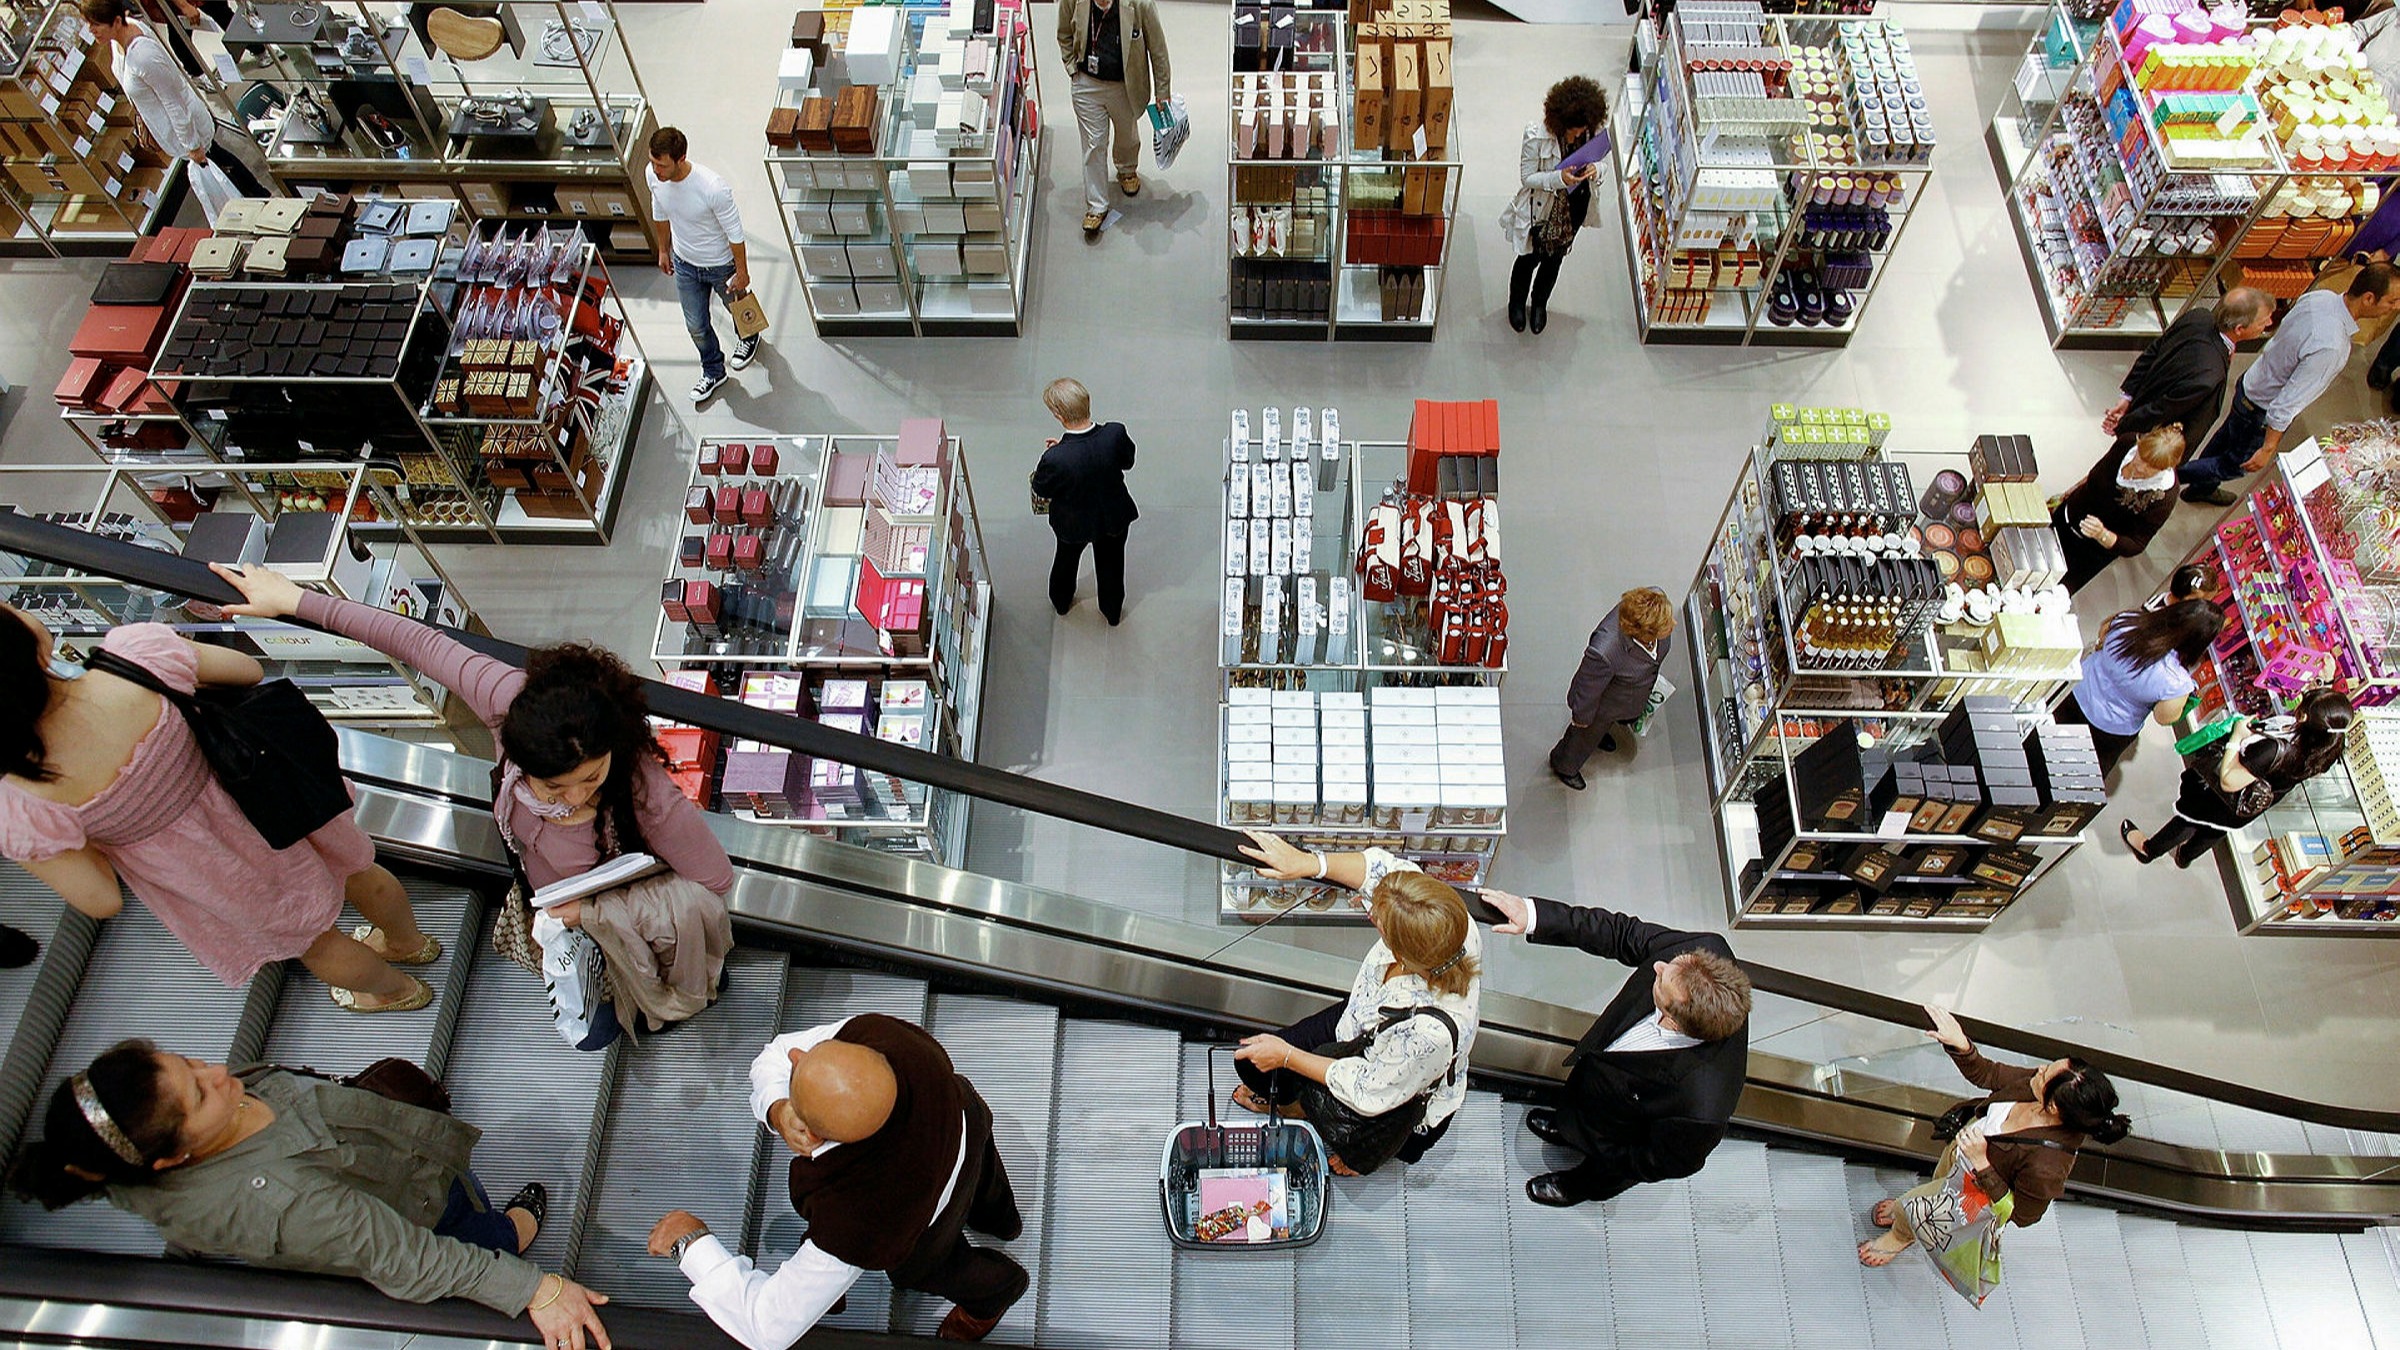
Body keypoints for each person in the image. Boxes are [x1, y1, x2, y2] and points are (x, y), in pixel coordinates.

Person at [210, 565, 735, 1032]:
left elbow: (713, 884)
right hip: (544, 899)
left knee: (601, 1024)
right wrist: (298, 601)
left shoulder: (647, 796)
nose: (574, 798)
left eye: (593, 777)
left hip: (602, 921)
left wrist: (595, 913)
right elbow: (417, 643)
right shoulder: (508, 701)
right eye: (552, 786)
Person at [6, 1039, 612, 1349]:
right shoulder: (287, 1204)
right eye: (199, 1095)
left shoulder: (127, 1157)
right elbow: (406, 1258)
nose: (218, 1073)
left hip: (386, 1162)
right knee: (472, 1228)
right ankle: (510, 1233)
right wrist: (535, 1287)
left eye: (188, 1063)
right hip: (417, 1208)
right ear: (172, 1159)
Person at [0, 603, 432, 1011]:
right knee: (360, 870)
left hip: (215, 870)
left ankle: (398, 992)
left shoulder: (21, 805)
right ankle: (410, 944)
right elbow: (246, 670)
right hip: (269, 793)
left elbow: (101, 899)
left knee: (317, 942)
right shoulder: (135, 653)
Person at [646, 1013, 1027, 1346]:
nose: (796, 1056)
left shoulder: (854, 1222)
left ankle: (997, 1291)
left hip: (923, 1228)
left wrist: (690, 1242)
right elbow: (780, 1053)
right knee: (985, 1179)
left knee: (936, 1269)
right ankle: (1003, 1218)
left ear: (812, 1136)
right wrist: (779, 1107)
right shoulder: (882, 1035)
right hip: (964, 1121)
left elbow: (766, 1328)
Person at [1473, 889, 1751, 1208]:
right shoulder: (1701, 953)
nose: (1657, 966)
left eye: (1662, 981)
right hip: (1597, 1090)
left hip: (1618, 1138)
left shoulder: (1702, 1108)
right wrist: (1533, 915)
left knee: (1603, 1173)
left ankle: (1578, 1185)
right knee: (1577, 1110)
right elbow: (1621, 933)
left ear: (1674, 1019)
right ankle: (1568, 1127)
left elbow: (1657, 1162)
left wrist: (1602, 1148)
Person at [1227, 833, 1482, 1176]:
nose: (1371, 912)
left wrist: (1287, 1056)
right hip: (1363, 1020)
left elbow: (1368, 1090)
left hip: (1394, 1080)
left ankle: (1332, 1141)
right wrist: (1309, 863)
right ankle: (1296, 1105)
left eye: (1380, 921)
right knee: (1256, 1066)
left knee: (1363, 1143)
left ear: (1404, 954)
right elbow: (1381, 870)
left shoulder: (1429, 1034)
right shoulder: (1448, 922)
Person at [1859, 1005, 2128, 1269]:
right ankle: (1909, 1211)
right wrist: (1961, 1045)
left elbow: (2022, 1215)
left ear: (2055, 1108)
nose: (2039, 1070)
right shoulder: (2040, 1088)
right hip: (1961, 1152)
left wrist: (1982, 1164)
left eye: (2045, 1074)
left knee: (1918, 1206)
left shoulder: (2048, 1165)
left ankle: (1900, 1236)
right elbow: (1991, 1074)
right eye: (2048, 1066)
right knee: (1935, 1185)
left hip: (1974, 1184)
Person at [2180, 264, 2400, 506]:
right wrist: (2269, 446)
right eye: (2392, 301)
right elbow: (2289, 400)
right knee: (2234, 463)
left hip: (2253, 382)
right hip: (2262, 409)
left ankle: (2201, 488)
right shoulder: (2332, 346)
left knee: (2226, 438)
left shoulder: (2321, 297)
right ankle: (2169, 477)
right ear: (2369, 298)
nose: (2396, 308)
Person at [2122, 688, 2356, 868]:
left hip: (2221, 797)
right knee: (2215, 830)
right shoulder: (2325, 749)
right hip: (2248, 806)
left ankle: (2149, 850)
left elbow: (2229, 780)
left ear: (2304, 717)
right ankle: (2186, 856)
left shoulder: (2276, 750)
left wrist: (2237, 736)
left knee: (2189, 820)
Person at [80, 0, 270, 200]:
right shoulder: (117, 42)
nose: (91, 30)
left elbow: (174, 100)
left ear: (116, 21)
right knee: (220, 163)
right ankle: (256, 198)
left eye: (95, 24)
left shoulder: (144, 56)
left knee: (220, 163)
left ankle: (261, 197)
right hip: (176, 132)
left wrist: (192, 145)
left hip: (189, 129)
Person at [646, 126, 758, 409]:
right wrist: (663, 248)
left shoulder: (712, 187)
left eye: (662, 164)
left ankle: (750, 335)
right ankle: (713, 371)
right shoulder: (653, 177)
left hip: (720, 264)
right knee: (695, 324)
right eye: (653, 162)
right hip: (685, 263)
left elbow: (735, 232)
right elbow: (659, 212)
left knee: (740, 307)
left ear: (681, 158)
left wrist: (741, 271)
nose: (656, 169)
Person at [2053, 600, 2222, 777]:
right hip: (2110, 728)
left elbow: (2103, 634)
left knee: (2043, 735)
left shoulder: (2130, 620)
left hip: (2076, 689)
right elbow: (2164, 717)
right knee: (2074, 775)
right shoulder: (2178, 682)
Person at [1498, 76, 1609, 335]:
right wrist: (1559, 179)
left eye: (1583, 129)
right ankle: (1517, 303)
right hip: (1542, 210)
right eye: (1574, 129)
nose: (1579, 134)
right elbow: (1527, 177)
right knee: (1528, 259)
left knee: (1554, 262)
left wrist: (1597, 169)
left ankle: (1539, 303)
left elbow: (1603, 161)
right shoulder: (1536, 136)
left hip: (1574, 211)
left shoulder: (1590, 132)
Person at [2099, 289, 2273, 450]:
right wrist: (2123, 425)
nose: (2269, 323)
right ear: (2239, 329)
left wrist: (2127, 397)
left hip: (2139, 408)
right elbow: (2162, 410)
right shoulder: (2208, 376)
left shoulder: (2198, 316)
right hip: (2151, 441)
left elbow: (2153, 351)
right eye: (2263, 321)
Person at [1056, 0, 1171, 238]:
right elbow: (1064, 33)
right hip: (1086, 83)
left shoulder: (1140, 5)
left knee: (1127, 134)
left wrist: (1163, 91)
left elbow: (1158, 49)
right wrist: (1071, 67)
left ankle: (1127, 169)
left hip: (1124, 85)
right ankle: (1097, 206)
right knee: (1094, 144)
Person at [1030, 377, 1139, 625]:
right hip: (1113, 516)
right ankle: (1112, 613)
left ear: (1058, 415)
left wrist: (1056, 452)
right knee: (1111, 567)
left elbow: (1041, 487)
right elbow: (1127, 461)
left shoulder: (1056, 458)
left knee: (1065, 562)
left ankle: (1061, 602)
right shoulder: (1115, 432)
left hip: (1072, 522)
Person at [1549, 586, 1674, 791]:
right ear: (1645, 631)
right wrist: (1582, 717)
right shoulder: (1606, 651)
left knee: (1601, 728)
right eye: (1666, 625)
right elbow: (1586, 685)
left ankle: (1600, 733)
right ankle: (1564, 765)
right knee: (1583, 738)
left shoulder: (1655, 602)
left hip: (1624, 700)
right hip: (1602, 705)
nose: (1673, 625)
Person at [2050, 426, 2187, 593]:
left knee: (2049, 591)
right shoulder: (2127, 442)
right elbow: (2098, 471)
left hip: (2088, 554)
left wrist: (2102, 534)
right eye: (2141, 457)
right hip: (2066, 517)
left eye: (2151, 467)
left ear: (2166, 468)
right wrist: (2072, 490)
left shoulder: (2164, 498)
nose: (2140, 468)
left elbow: (2137, 543)